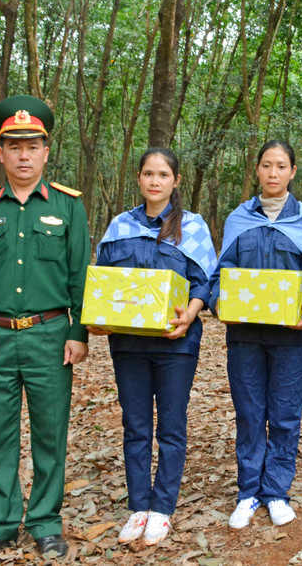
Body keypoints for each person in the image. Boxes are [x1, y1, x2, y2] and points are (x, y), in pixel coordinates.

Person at [0, 95, 90, 564]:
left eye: (33, 146)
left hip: (50, 335)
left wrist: (79, 332)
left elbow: (80, 274)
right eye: (14, 147)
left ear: (46, 153)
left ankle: (46, 523)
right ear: (1, 153)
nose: (24, 155)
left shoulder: (68, 206)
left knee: (50, 434)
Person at [88, 147, 216, 547]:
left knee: (171, 426)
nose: (155, 181)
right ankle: (138, 506)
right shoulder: (119, 226)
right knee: (136, 425)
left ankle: (162, 509)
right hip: (128, 345)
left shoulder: (192, 226)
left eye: (163, 174)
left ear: (176, 181)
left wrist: (190, 313)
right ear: (139, 178)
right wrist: (97, 318)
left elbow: (205, 282)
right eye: (148, 173)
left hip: (175, 344)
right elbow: (103, 283)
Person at [209, 140, 302, 529]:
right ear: (257, 170)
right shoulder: (238, 218)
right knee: (249, 413)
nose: (273, 173)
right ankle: (248, 492)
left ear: (293, 171)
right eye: (266, 165)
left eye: (281, 166)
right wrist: (218, 302)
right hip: (244, 337)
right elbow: (219, 274)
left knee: (286, 414)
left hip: (291, 338)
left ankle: (276, 491)